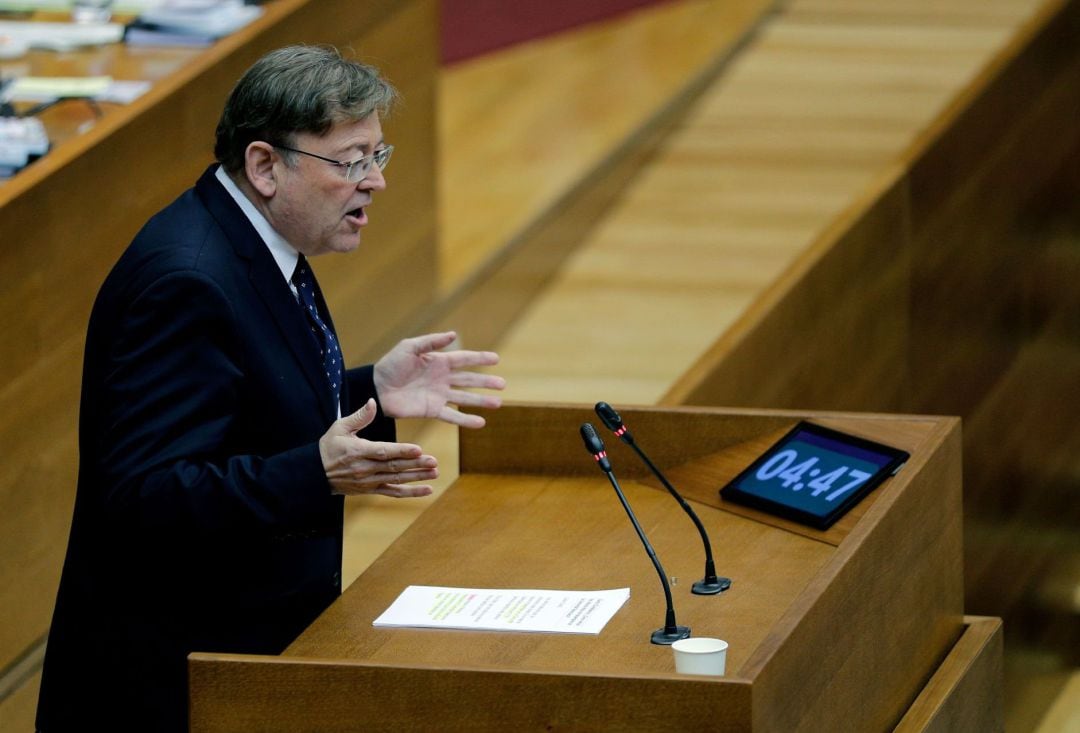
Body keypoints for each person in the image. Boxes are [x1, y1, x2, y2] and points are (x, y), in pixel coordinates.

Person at [35, 45, 505, 732]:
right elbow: (146, 496)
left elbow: (246, 407)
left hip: (244, 665)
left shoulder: (258, 240)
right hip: (172, 690)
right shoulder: (185, 280)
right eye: (351, 161)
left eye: (378, 155)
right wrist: (317, 472)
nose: (374, 181)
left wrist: (370, 391)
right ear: (264, 166)